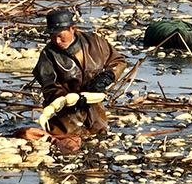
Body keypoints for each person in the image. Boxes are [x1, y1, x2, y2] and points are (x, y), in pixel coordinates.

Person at [32, 9, 128, 137]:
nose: (57, 41)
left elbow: (118, 60)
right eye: (52, 36)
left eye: (60, 35)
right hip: (66, 118)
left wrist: (109, 75)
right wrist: (71, 99)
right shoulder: (48, 55)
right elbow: (49, 87)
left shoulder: (95, 42)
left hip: (95, 114)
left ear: (72, 29)